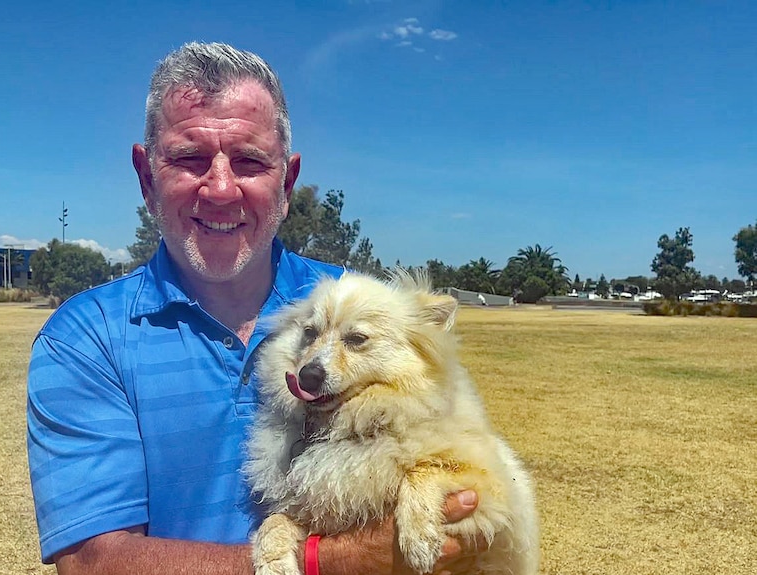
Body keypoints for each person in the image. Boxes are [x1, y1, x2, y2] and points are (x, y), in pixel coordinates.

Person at [27, 42, 481, 575]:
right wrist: (326, 561)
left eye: (249, 161)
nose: (221, 189)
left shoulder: (362, 305)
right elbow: (94, 563)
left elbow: (459, 468)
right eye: (189, 158)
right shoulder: (84, 338)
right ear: (146, 178)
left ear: (286, 183)